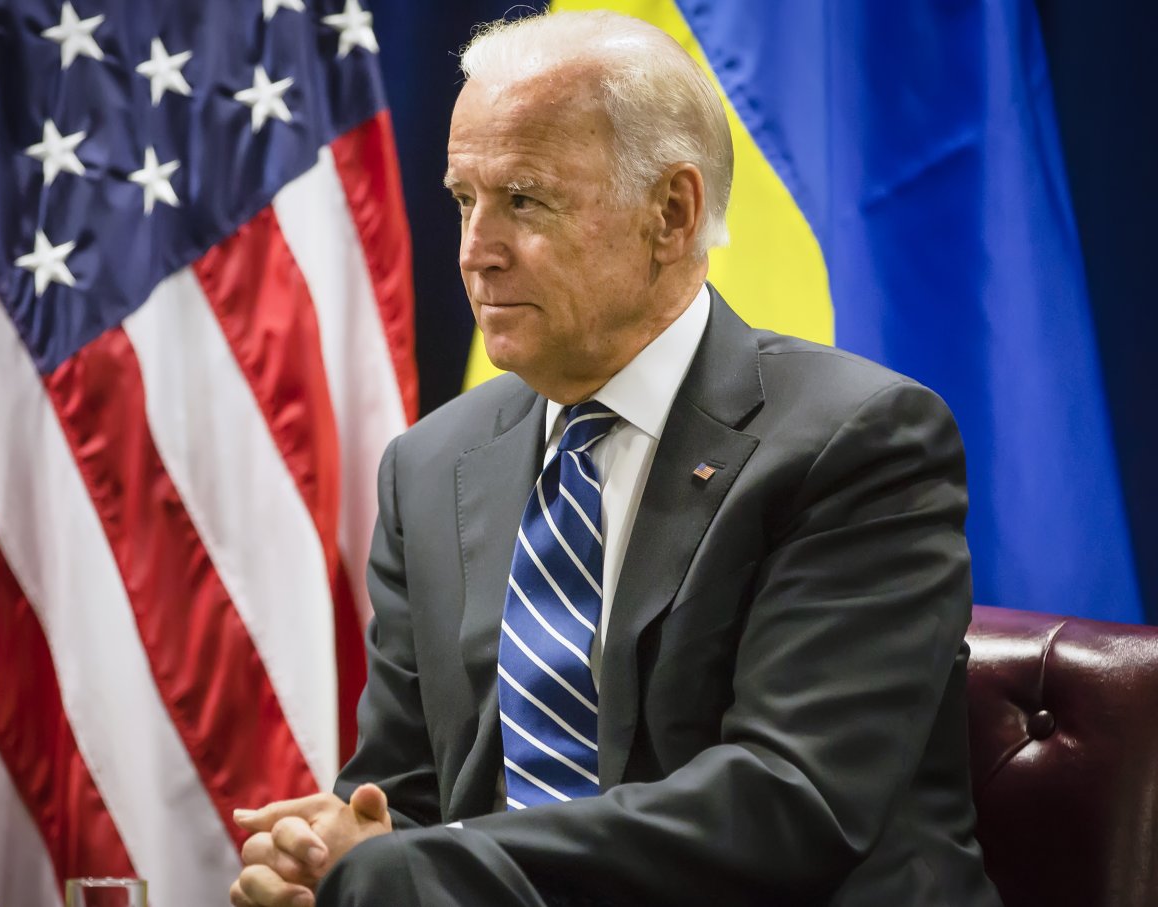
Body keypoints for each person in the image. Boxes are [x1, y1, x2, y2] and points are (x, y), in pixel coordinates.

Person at [230, 10, 1001, 907]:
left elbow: (787, 803)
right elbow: (403, 794)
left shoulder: (858, 440)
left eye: (524, 199)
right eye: (462, 200)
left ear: (670, 214)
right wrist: (330, 850)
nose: (475, 252)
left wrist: (420, 865)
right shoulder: (431, 465)